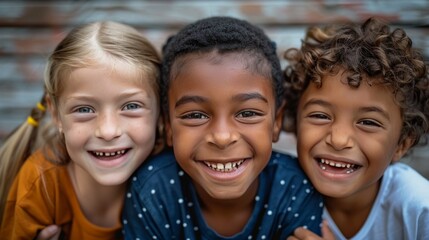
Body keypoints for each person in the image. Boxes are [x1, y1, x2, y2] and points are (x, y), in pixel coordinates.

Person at [122, 16, 324, 240]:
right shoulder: (154, 190)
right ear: (168, 126)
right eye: (195, 115)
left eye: (247, 113)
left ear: (276, 123)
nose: (222, 137)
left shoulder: (294, 189)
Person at [0, 21, 164, 239]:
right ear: (57, 115)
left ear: (160, 112)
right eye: (84, 109)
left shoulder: (170, 178)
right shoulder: (41, 186)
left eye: (131, 106)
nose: (107, 131)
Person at [283, 17, 429, 240]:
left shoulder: (418, 208)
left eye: (368, 122)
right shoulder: (281, 196)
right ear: (296, 123)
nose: (339, 140)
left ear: (401, 144)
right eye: (320, 116)